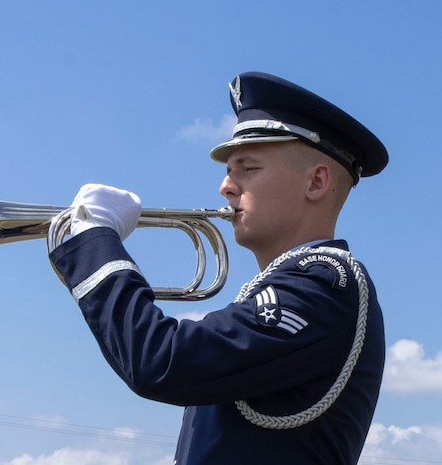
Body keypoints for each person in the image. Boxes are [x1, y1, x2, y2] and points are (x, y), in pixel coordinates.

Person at [48, 71, 388, 465]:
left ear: (316, 183)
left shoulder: (325, 284)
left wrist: (94, 245)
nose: (225, 186)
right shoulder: (288, 287)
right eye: (229, 170)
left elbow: (160, 360)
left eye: (248, 168)